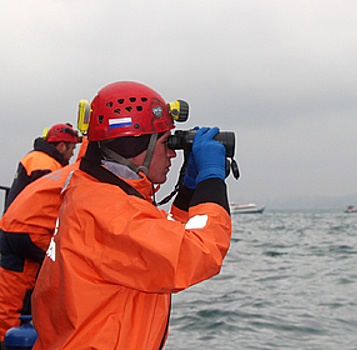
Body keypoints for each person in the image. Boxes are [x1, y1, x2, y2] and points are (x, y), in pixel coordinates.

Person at [31, 81, 232, 349]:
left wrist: (188, 191)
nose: (172, 152)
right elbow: (199, 253)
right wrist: (211, 179)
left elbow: (159, 245)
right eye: (164, 142)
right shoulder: (108, 211)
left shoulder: (94, 191)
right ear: (135, 148)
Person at [0, 138, 87, 347]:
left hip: (11, 227)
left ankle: (6, 337)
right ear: (61, 146)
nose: (71, 154)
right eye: (71, 148)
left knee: (14, 287)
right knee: (68, 267)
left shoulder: (46, 164)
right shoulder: (54, 167)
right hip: (32, 232)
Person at [3, 123, 80, 212]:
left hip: (15, 218)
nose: (73, 154)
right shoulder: (46, 165)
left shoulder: (36, 158)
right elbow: (46, 201)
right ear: (62, 146)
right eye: (72, 149)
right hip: (27, 221)